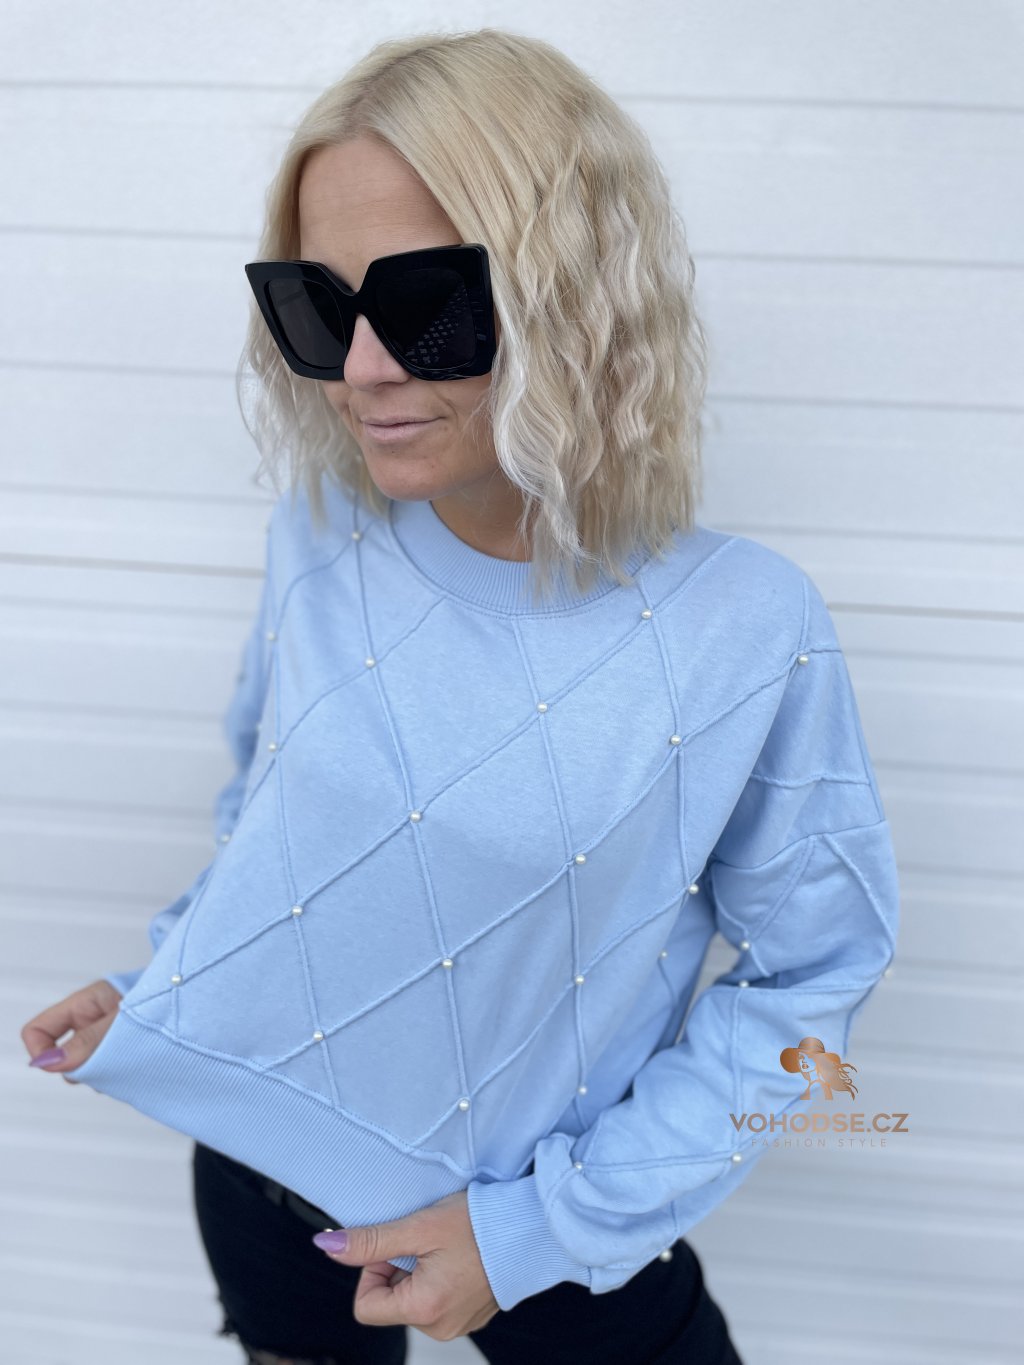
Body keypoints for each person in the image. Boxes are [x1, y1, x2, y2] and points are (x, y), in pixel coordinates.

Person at [20, 27, 899, 1365]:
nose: (363, 369)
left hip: (550, 1237)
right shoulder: (322, 531)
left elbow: (815, 972)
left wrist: (532, 1235)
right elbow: (277, 831)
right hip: (260, 1181)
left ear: (575, 297)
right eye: (318, 309)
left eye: (428, 304)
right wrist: (170, 993)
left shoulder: (745, 627)